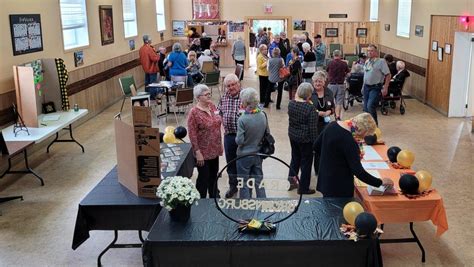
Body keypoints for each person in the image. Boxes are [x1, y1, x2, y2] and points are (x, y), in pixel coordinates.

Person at [314, 113, 394, 197]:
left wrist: (330, 158)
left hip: (325, 179)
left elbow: (316, 146)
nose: (363, 138)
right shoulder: (350, 141)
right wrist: (380, 182)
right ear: (361, 130)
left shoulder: (332, 125)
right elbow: (358, 172)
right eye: (365, 135)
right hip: (339, 186)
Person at [187, 84, 223, 198]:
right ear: (198, 97)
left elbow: (217, 125)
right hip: (202, 153)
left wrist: (220, 144)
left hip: (214, 149)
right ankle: (201, 200)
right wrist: (197, 152)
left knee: (214, 175)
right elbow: (192, 134)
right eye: (206, 94)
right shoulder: (194, 113)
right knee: (203, 177)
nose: (209, 95)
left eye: (209, 93)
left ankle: (214, 198)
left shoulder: (212, 106)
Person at [287, 82, 319, 194]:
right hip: (305, 140)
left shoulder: (291, 104)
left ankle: (291, 181)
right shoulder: (310, 108)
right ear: (309, 95)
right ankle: (303, 188)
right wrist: (315, 144)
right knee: (306, 163)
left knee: (295, 158)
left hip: (293, 136)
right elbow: (313, 129)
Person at [236, 87, 267, 198]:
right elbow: (266, 133)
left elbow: (239, 140)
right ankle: (263, 205)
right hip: (258, 153)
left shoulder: (242, 119)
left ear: (245, 102)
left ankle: (246, 209)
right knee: (259, 181)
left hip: (244, 155)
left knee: (243, 183)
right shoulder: (262, 115)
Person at [217, 74, 242, 198]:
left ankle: (245, 188)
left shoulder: (245, 97)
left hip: (243, 138)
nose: (231, 87)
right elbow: (219, 112)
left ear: (238, 84)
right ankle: (233, 186)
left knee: (243, 163)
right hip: (229, 136)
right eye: (228, 86)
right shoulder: (224, 98)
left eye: (233, 84)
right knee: (230, 163)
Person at [311, 71, 334, 175]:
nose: (317, 83)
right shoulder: (310, 92)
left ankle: (319, 169)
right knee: (313, 147)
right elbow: (307, 107)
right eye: (315, 81)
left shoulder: (329, 92)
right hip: (312, 124)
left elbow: (332, 107)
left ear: (324, 82)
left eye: (320, 81)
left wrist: (330, 111)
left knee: (322, 147)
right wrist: (318, 113)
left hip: (325, 125)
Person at [363, 44, 391, 125]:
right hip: (366, 87)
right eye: (368, 51)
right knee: (365, 108)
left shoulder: (381, 61)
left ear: (376, 52)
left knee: (370, 106)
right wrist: (362, 87)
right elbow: (365, 75)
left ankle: (375, 126)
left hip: (375, 87)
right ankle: (367, 126)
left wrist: (385, 87)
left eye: (371, 51)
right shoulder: (367, 61)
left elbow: (388, 75)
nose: (369, 52)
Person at [326, 50, 350, 120]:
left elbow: (327, 72)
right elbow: (348, 73)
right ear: (340, 55)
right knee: (339, 102)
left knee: (329, 100)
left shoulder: (330, 63)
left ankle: (327, 115)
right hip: (340, 85)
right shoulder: (344, 63)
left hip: (331, 85)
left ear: (333, 55)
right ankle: (337, 116)